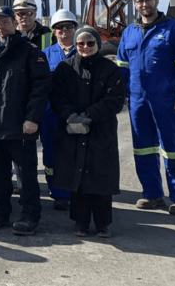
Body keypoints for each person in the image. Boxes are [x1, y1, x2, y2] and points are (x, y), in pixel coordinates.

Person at [0, 6, 51, 235]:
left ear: (14, 23)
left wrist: (32, 118)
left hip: (20, 126)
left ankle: (29, 216)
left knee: (25, 175)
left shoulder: (29, 51)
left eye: (5, 22)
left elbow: (41, 87)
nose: (1, 26)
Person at [116, 0, 175, 215]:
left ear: (157, 1)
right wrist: (120, 96)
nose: (144, 4)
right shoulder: (129, 31)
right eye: (139, 0)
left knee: (173, 149)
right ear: (134, 4)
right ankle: (152, 194)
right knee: (143, 149)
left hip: (167, 100)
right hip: (138, 101)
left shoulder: (173, 29)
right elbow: (122, 67)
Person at [51, 27, 126, 238]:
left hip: (100, 130)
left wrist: (90, 115)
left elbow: (115, 99)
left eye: (90, 43)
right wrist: (70, 116)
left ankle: (103, 224)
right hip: (72, 129)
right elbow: (57, 95)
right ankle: (80, 222)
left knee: (101, 176)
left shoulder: (110, 69)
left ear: (98, 45)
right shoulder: (65, 69)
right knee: (78, 178)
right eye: (80, 44)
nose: (85, 47)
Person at [42, 9, 79, 211]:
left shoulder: (83, 51)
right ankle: (58, 192)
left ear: (75, 29)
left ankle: (76, 189)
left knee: (75, 152)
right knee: (51, 153)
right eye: (59, 27)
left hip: (77, 113)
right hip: (51, 114)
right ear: (53, 32)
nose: (64, 31)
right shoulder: (45, 55)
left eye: (68, 26)